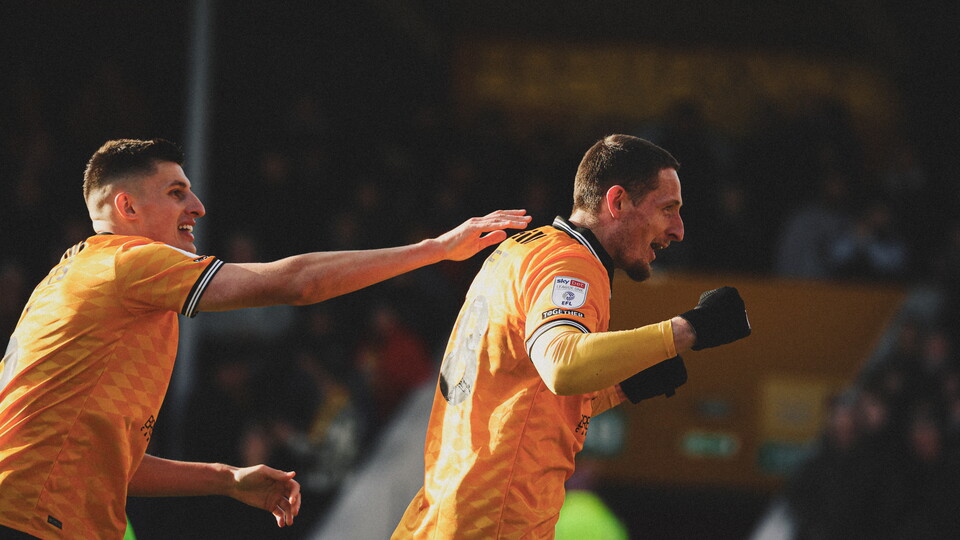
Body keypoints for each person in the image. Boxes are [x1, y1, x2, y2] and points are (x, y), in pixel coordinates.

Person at [0, 138, 531, 539]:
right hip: (33, 521)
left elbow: (112, 461)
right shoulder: (125, 265)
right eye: (176, 192)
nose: (198, 207)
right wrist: (435, 249)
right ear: (127, 209)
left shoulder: (71, 282)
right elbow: (296, 283)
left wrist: (226, 479)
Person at [393, 134, 751, 539]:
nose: (679, 230)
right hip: (495, 521)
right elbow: (561, 364)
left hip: (450, 512)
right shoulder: (573, 264)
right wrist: (690, 328)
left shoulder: (522, 252)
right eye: (668, 209)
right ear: (616, 203)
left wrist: (619, 387)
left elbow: (522, 393)